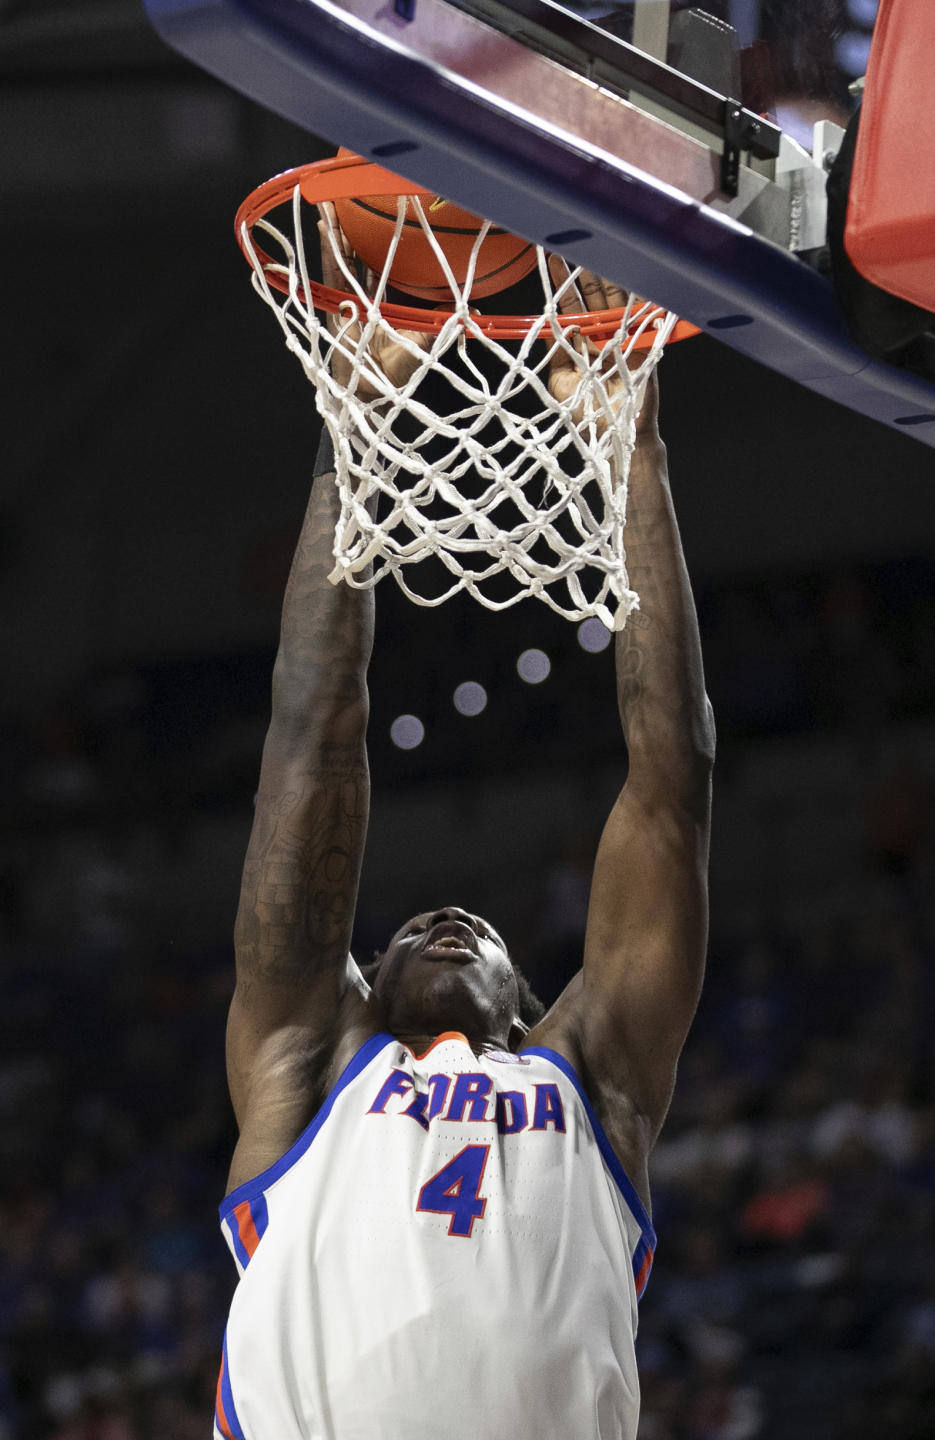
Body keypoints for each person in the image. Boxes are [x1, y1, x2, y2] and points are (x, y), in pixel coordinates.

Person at [214, 256, 715, 1440]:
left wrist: (632, 460)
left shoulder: (592, 1078)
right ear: (362, 985)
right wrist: (354, 447)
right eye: (411, 935)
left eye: (476, 932)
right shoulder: (306, 1062)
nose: (443, 923)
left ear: (533, 997)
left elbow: (671, 789)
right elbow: (314, 728)